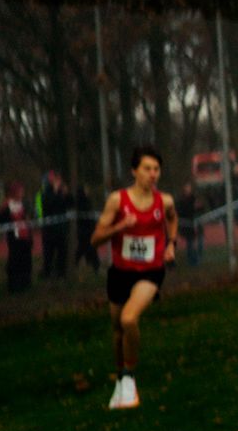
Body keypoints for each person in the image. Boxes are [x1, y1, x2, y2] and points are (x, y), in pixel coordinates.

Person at [90, 145, 177, 410]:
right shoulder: (118, 201)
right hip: (120, 273)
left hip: (150, 272)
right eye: (147, 169)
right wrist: (121, 226)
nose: (153, 174)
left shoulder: (165, 201)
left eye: (156, 169)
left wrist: (171, 244)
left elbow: (172, 219)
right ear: (134, 171)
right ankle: (121, 382)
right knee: (118, 331)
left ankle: (129, 376)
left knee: (129, 319)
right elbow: (96, 239)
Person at [0, 182, 33, 294]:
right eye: (20, 191)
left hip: (25, 237)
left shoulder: (23, 204)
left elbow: (27, 219)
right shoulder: (7, 205)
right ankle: (14, 286)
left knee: (26, 261)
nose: (22, 193)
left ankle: (25, 283)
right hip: (15, 239)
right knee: (15, 262)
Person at [38, 168, 72, 278]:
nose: (59, 181)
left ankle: (61, 274)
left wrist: (67, 194)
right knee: (49, 253)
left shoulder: (62, 191)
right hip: (49, 230)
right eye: (56, 179)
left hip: (61, 229)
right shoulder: (46, 192)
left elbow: (70, 204)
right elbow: (48, 205)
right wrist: (56, 191)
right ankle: (46, 274)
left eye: (60, 179)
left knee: (62, 252)